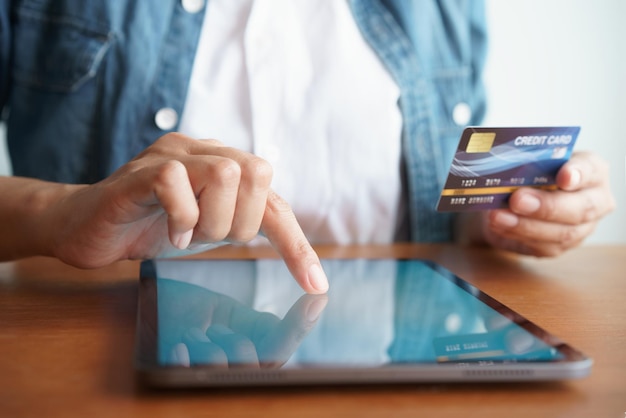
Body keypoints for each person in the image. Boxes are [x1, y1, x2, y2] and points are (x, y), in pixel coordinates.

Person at [0, 0, 615, 295]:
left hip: (398, 371)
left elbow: (442, 197)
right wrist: (58, 215)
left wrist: (514, 213)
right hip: (91, 356)